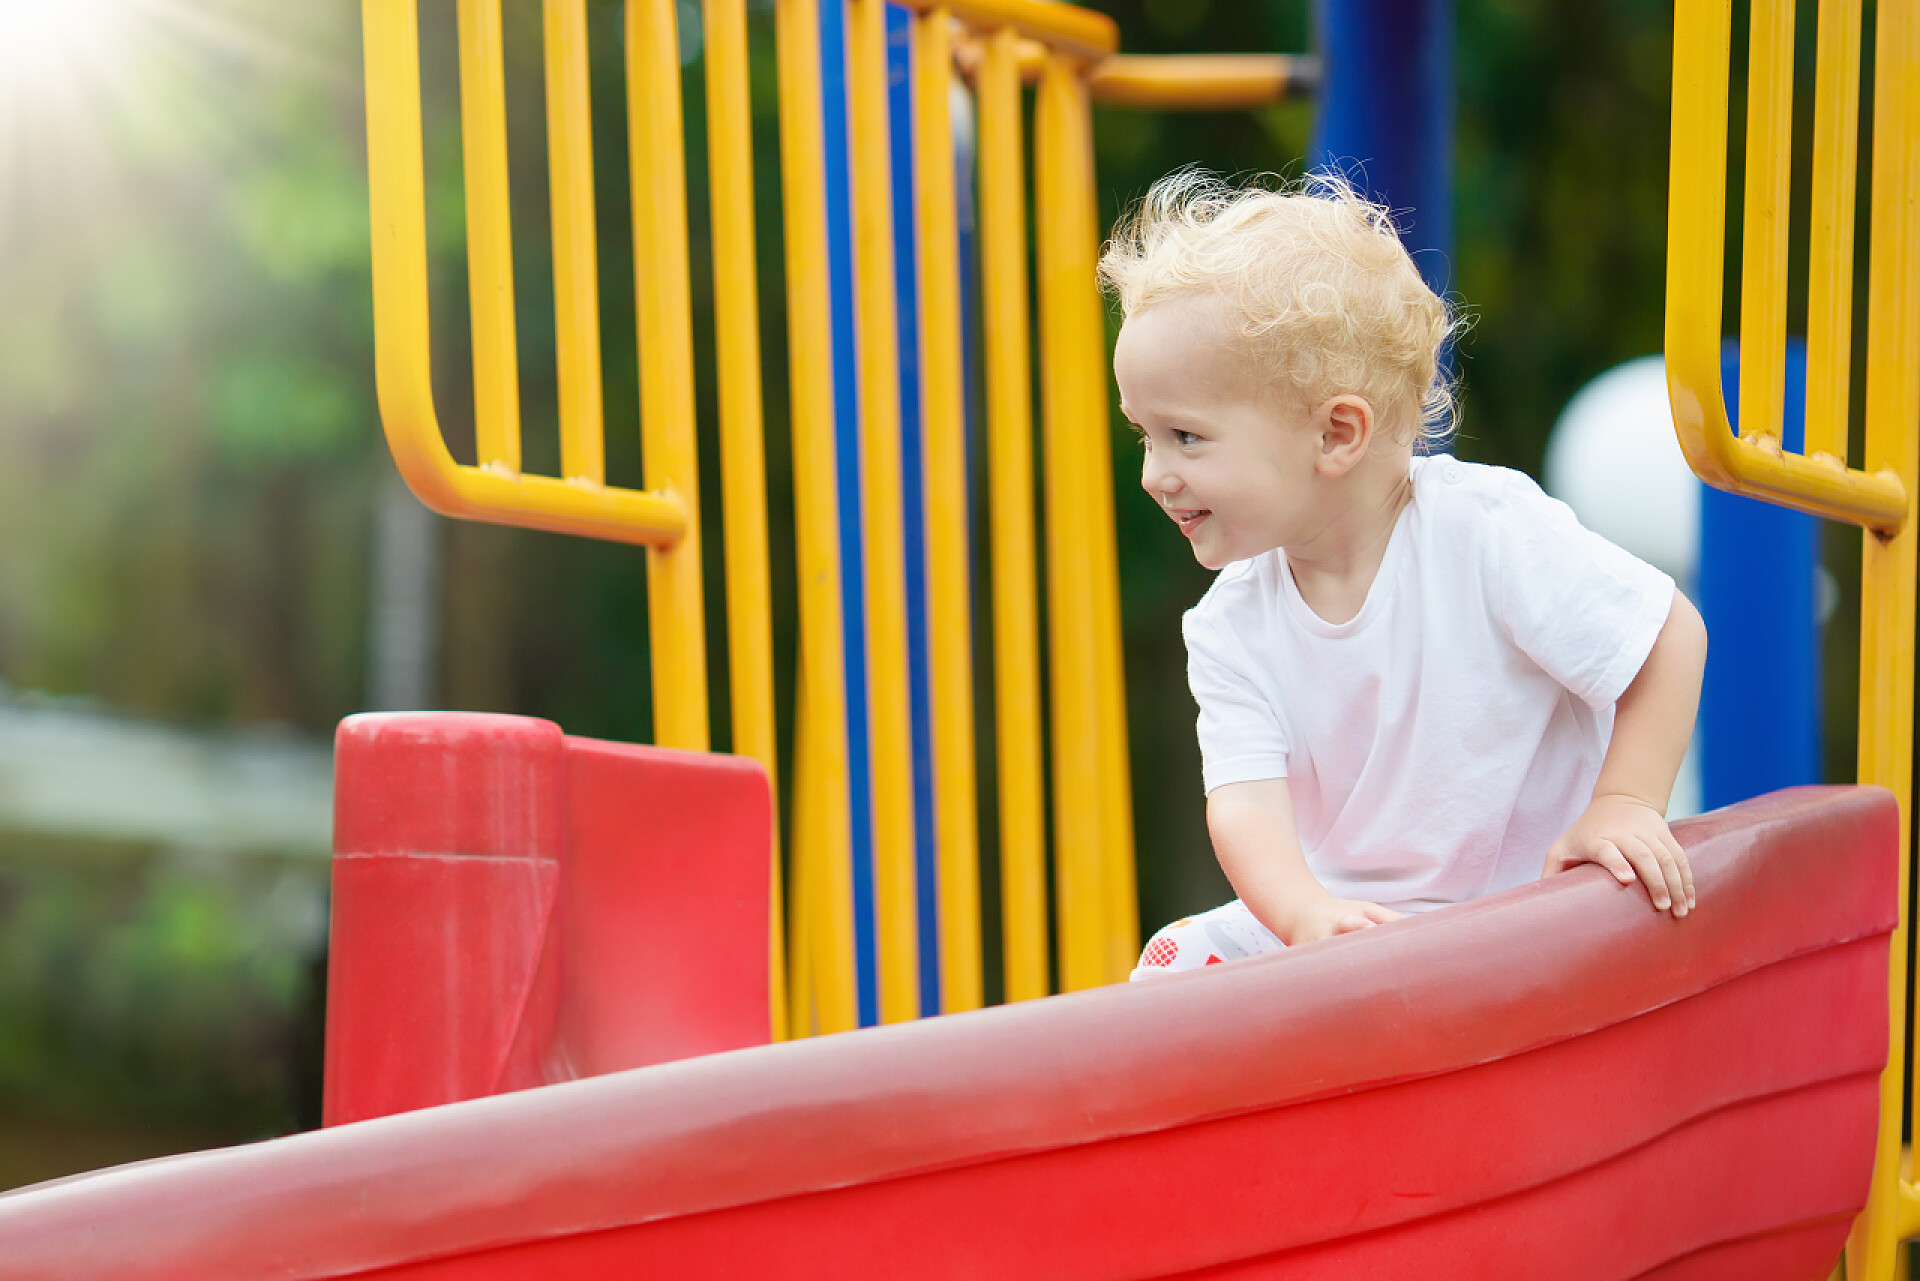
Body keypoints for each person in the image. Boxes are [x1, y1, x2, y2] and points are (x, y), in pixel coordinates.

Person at [1100, 172, 1707, 979]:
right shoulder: (1230, 626)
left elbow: (1666, 634)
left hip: (1535, 911)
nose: (1153, 474)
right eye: (1143, 434)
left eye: (1185, 436)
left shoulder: (1483, 534)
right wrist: (1305, 913)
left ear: (1336, 433)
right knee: (1172, 964)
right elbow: (1246, 804)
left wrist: (1623, 804)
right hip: (1354, 923)